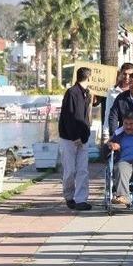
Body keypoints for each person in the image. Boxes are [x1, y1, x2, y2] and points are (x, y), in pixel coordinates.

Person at [59, 67, 96, 211]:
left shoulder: (87, 93)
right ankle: (69, 196)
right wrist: (75, 136)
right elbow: (68, 116)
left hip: (83, 136)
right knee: (70, 170)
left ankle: (81, 199)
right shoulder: (72, 93)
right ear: (89, 77)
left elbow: (86, 114)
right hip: (70, 138)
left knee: (82, 170)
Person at [102, 62, 133, 141]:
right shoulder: (112, 91)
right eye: (124, 74)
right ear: (121, 73)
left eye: (130, 75)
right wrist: (106, 132)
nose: (127, 77)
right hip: (117, 130)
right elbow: (108, 112)